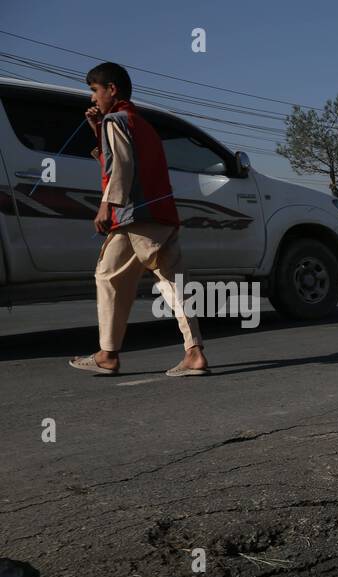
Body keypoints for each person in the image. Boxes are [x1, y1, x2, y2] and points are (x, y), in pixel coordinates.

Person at [69, 62, 208, 377]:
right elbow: (122, 159)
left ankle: (187, 353)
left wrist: (107, 204)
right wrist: (98, 131)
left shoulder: (116, 121)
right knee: (121, 278)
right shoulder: (139, 123)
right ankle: (114, 354)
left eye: (94, 90)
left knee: (150, 282)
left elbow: (123, 166)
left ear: (111, 89)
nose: (92, 99)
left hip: (135, 217)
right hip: (158, 215)